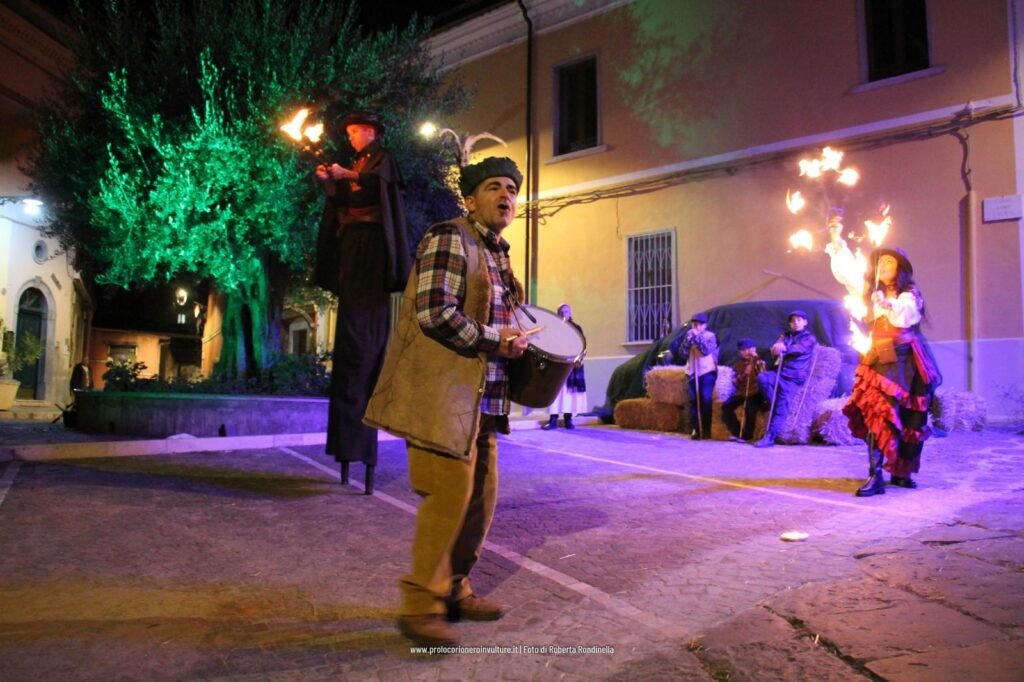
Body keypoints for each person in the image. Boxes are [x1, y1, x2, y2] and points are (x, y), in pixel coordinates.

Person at [363, 157, 530, 647]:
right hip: (443, 398)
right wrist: (497, 340)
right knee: (449, 495)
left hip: (484, 404)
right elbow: (435, 312)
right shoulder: (450, 237)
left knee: (480, 500)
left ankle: (455, 588)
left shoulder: (499, 255)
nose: (506, 196)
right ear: (471, 199)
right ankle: (421, 603)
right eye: (494, 187)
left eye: (512, 189)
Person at [314, 111, 411, 495]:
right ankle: (345, 449)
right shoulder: (357, 162)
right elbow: (343, 202)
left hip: (372, 251)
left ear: (370, 132)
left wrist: (348, 174)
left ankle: (361, 453)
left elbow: (377, 185)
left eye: (355, 132)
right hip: (353, 249)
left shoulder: (383, 160)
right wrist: (330, 182)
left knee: (364, 350)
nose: (351, 138)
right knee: (348, 355)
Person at [844, 248, 941, 496]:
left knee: (909, 417)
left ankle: (901, 472)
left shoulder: (909, 294)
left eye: (890, 261)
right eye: (881, 261)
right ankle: (875, 474)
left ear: (900, 267)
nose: (884, 265)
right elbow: (846, 275)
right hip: (879, 359)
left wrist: (887, 304)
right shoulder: (870, 292)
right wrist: (835, 242)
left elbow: (905, 315)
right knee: (877, 412)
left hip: (905, 361)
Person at [754, 310, 817, 447]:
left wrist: (784, 347)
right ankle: (773, 401)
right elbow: (776, 352)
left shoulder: (809, 338)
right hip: (780, 373)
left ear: (805, 322)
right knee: (763, 377)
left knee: (781, 408)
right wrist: (774, 350)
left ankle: (770, 438)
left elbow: (800, 349)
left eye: (799, 320)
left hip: (793, 377)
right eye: (793, 321)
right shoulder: (785, 336)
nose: (796, 323)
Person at [671, 312, 718, 440]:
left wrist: (697, 337)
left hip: (706, 371)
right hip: (692, 371)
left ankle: (706, 429)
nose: (696, 326)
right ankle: (695, 429)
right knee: (693, 400)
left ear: (705, 325)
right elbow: (682, 353)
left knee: (705, 398)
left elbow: (706, 351)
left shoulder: (711, 336)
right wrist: (688, 341)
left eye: (700, 324)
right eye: (694, 324)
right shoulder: (688, 335)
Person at [541, 303, 587, 430]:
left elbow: (582, 345)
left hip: (571, 365)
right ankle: (553, 420)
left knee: (569, 394)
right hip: (558, 364)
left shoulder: (577, 328)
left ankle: (568, 420)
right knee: (556, 392)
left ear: (570, 313)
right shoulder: (555, 328)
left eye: (567, 311)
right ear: (558, 314)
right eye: (562, 311)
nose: (564, 313)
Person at [721, 338, 767, 442]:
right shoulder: (737, 365)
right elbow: (735, 383)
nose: (746, 352)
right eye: (743, 350)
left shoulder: (759, 362)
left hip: (756, 393)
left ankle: (747, 436)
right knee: (726, 406)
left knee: (750, 407)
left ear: (754, 349)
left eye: (749, 349)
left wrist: (756, 359)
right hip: (742, 393)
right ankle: (737, 433)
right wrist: (744, 375)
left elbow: (764, 375)